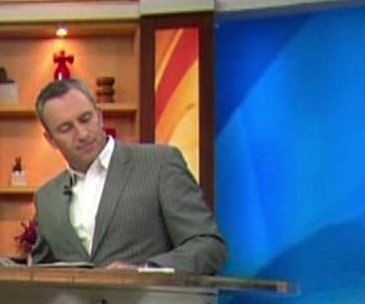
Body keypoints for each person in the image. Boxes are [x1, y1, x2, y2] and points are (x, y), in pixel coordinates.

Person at [29, 77, 226, 274]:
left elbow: (208, 246)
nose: (82, 134)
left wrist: (145, 271)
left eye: (86, 119)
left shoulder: (159, 164)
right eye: (66, 128)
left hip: (148, 294)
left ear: (100, 116)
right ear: (50, 140)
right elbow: (39, 274)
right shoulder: (46, 198)